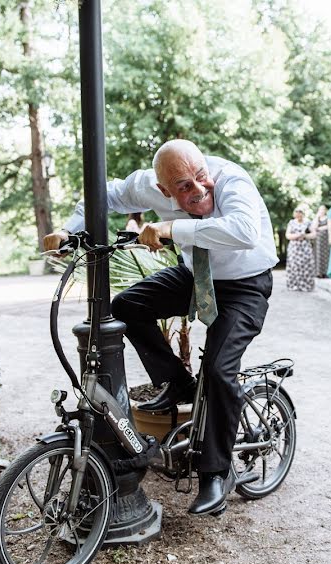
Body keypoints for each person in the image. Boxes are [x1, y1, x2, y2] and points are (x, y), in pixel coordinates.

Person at [43, 139, 277, 516]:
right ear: (163, 189)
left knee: (218, 370)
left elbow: (244, 232)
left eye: (201, 176)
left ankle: (216, 474)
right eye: (183, 187)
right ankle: (179, 383)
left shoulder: (232, 179)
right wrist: (69, 230)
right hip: (195, 275)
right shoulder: (147, 185)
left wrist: (170, 228)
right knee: (127, 307)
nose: (198, 189)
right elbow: (100, 195)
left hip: (244, 284)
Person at [285, 206, 317, 292]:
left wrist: (305, 236)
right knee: (294, 266)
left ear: (303, 214)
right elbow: (287, 235)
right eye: (297, 213)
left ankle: (306, 285)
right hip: (294, 248)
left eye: (300, 213)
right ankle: (294, 285)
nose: (299, 215)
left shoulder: (308, 223)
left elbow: (314, 234)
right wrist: (297, 236)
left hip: (305, 247)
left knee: (306, 265)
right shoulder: (291, 223)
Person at [312, 205, 330, 278]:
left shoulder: (328, 217)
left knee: (327, 255)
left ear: (325, 210)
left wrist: (319, 228)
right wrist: (317, 217)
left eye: (323, 209)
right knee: (318, 255)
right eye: (320, 210)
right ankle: (318, 273)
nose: (322, 211)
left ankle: (326, 272)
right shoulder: (317, 218)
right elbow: (314, 227)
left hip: (326, 238)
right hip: (319, 240)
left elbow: (329, 226)